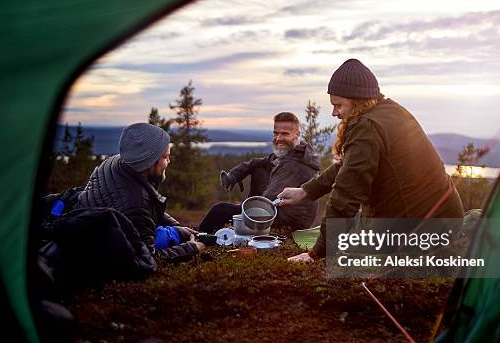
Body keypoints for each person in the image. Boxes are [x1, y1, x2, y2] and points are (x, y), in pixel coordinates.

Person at [279, 59, 464, 262]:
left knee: (348, 248)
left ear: (357, 101)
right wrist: (306, 191)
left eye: (338, 105)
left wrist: (316, 253)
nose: (334, 113)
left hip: (419, 230)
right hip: (445, 216)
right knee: (354, 226)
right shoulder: (390, 110)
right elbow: (349, 165)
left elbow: (345, 196)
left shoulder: (366, 126)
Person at [75, 122, 205, 262]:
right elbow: (147, 259)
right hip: (94, 255)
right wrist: (192, 248)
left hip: (82, 231)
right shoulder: (135, 201)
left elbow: (146, 210)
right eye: (166, 157)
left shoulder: (116, 162)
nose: (169, 162)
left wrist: (177, 226)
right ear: (150, 161)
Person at [197, 112, 320, 233]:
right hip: (282, 210)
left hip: (289, 222)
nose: (278, 139)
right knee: (259, 168)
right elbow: (257, 162)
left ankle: (199, 238)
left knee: (220, 210)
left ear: (297, 134)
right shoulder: (296, 150)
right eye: (276, 133)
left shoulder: (293, 165)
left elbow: (267, 205)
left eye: (284, 134)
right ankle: (246, 213)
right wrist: (234, 175)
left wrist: (245, 212)